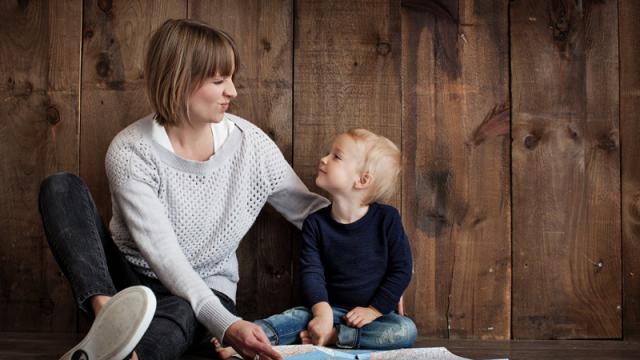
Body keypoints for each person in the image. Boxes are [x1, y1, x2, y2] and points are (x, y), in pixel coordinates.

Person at [38, 18, 329, 360]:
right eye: (219, 80)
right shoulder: (131, 150)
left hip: (207, 288)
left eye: (231, 79)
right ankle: (109, 321)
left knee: (180, 311)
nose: (232, 91)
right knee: (60, 188)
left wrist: (381, 262)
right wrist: (230, 326)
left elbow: (311, 213)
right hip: (128, 281)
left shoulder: (252, 145)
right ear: (179, 82)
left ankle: (120, 353)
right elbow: (164, 256)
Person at [214, 129, 417, 359]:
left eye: (336, 157)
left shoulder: (387, 219)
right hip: (327, 309)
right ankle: (244, 340)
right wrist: (322, 313)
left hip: (373, 317)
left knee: (405, 330)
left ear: (362, 180)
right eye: (328, 153)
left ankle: (333, 338)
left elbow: (401, 269)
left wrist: (374, 310)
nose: (324, 159)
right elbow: (312, 272)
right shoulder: (316, 223)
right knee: (292, 319)